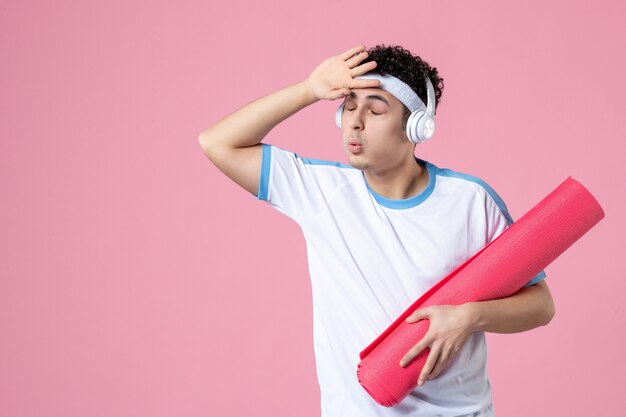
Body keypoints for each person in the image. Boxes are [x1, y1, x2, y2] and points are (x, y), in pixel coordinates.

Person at [198, 44, 555, 417]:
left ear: (418, 125)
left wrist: (467, 318)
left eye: (376, 109)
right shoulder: (321, 191)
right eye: (349, 106)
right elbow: (218, 142)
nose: (355, 121)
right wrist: (308, 89)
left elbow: (541, 305)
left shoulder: (470, 202)